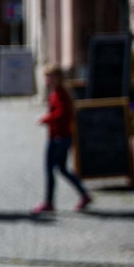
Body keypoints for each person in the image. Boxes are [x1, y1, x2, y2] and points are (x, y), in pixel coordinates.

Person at [31, 65, 93, 214]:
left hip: (60, 137)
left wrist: (46, 119)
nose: (46, 80)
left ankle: (49, 202)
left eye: (49, 76)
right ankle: (83, 194)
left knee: (52, 169)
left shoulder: (61, 93)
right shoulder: (56, 93)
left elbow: (62, 113)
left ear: (57, 78)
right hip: (57, 136)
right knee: (62, 169)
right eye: (46, 77)